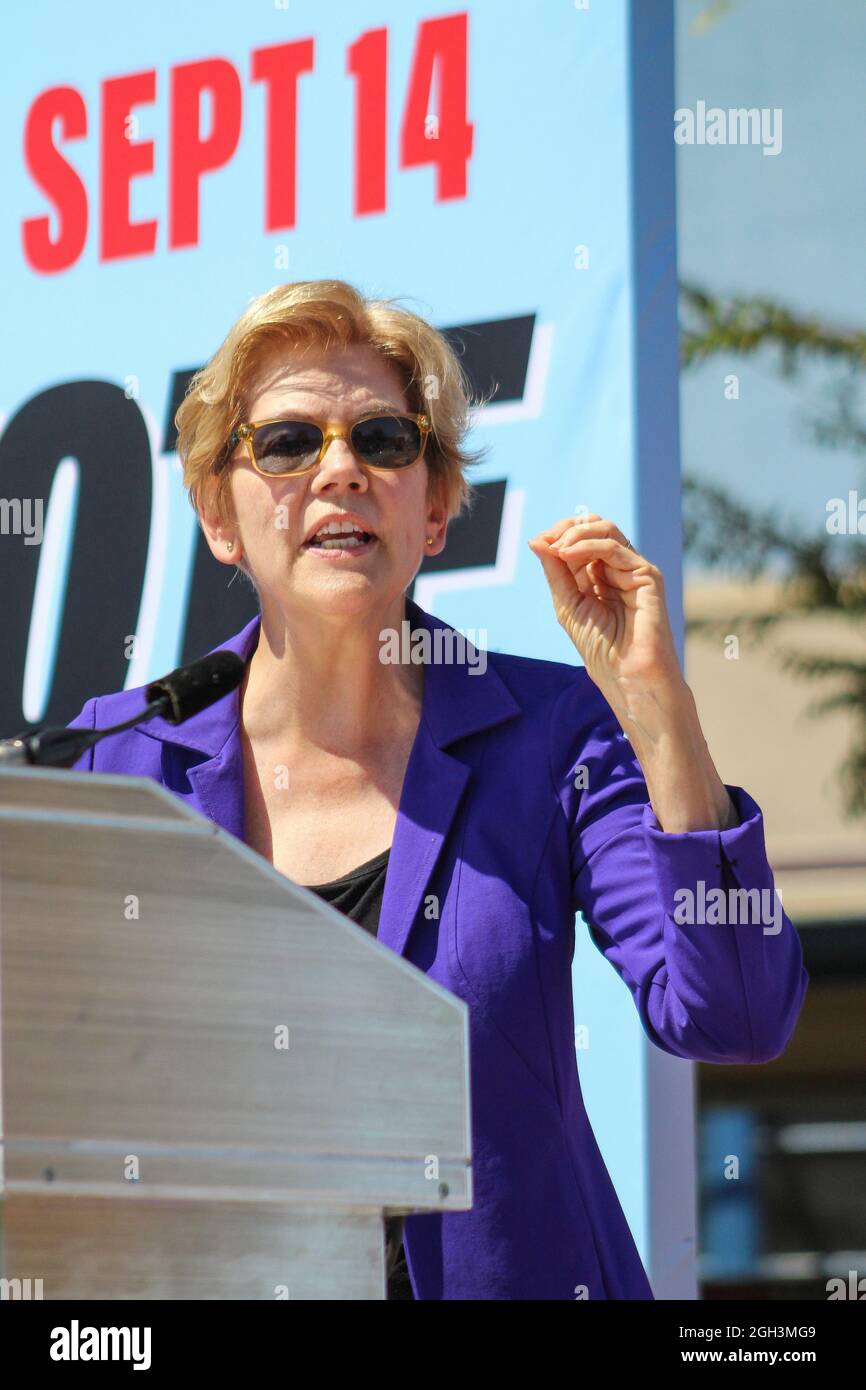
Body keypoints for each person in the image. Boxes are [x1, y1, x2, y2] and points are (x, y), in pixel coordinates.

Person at [66, 279, 808, 1300]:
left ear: (438, 506)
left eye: (382, 438)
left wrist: (656, 711)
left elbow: (731, 1015)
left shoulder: (552, 734)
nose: (340, 471)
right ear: (216, 514)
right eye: (286, 443)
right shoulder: (124, 755)